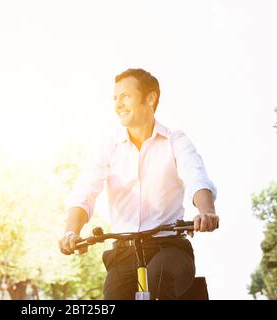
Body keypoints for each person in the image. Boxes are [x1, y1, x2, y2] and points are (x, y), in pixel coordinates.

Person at [58, 68, 219, 300]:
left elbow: (196, 177)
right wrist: (71, 232)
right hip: (123, 254)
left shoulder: (176, 141)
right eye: (115, 98)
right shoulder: (108, 147)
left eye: (125, 96)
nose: (118, 104)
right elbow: (85, 192)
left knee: (157, 281)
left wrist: (207, 212)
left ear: (150, 98)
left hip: (170, 248)